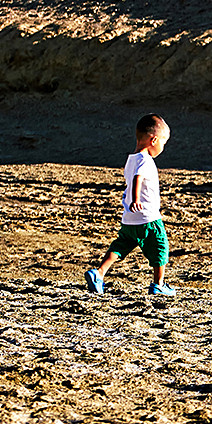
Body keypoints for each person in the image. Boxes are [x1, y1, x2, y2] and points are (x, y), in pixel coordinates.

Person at [85, 115, 175, 297]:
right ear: (154, 140)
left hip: (129, 218)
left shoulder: (131, 159)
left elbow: (131, 179)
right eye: (163, 143)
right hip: (147, 216)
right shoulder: (145, 160)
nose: (162, 148)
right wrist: (136, 199)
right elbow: (137, 178)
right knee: (160, 247)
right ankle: (158, 284)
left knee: (120, 246)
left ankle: (99, 273)